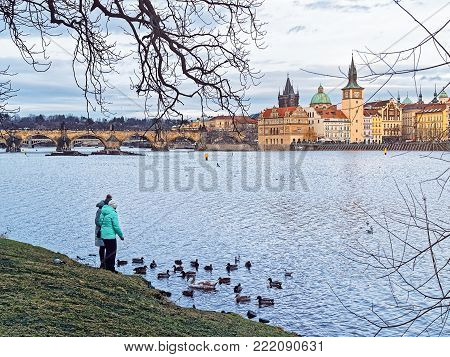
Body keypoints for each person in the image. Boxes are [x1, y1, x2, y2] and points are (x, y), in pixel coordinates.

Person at [99, 200, 124, 272]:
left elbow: (100, 222)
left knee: (107, 251)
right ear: (114, 207)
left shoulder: (103, 212)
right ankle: (111, 268)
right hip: (110, 236)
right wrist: (121, 235)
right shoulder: (113, 214)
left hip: (103, 235)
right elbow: (116, 226)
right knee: (112, 252)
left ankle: (105, 266)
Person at [95, 194, 112, 268]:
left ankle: (105, 263)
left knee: (107, 246)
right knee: (102, 247)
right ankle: (102, 263)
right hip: (101, 231)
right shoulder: (100, 210)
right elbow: (96, 221)